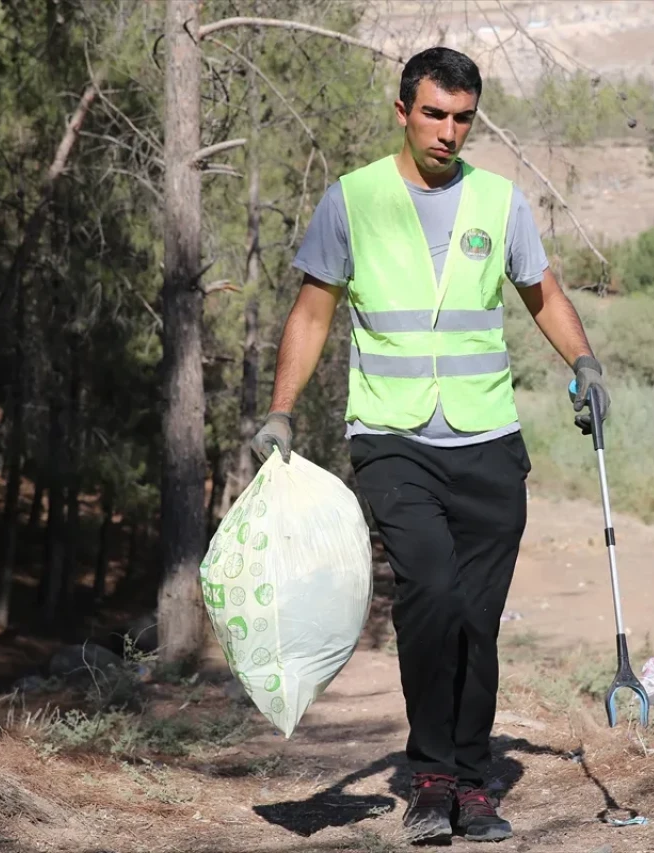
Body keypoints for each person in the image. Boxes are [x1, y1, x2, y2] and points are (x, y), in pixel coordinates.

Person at [249, 46, 611, 845]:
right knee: (433, 595)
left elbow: (541, 291)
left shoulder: (500, 201)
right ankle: (431, 774)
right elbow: (313, 313)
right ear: (404, 111)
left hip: (489, 442)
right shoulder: (354, 200)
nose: (448, 132)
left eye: (462, 119)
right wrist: (280, 411)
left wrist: (583, 362)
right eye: (434, 114)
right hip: (392, 436)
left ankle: (471, 784)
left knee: (477, 622)